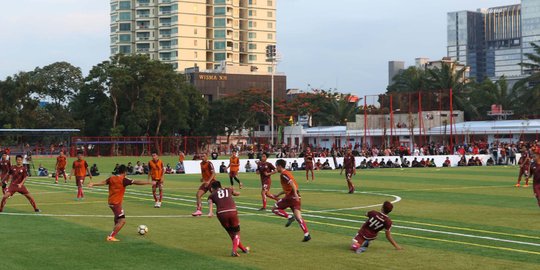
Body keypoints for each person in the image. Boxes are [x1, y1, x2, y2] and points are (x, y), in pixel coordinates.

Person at [88, 164, 151, 241]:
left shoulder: (112, 178)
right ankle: (111, 237)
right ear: (125, 172)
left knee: (117, 218)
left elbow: (104, 182)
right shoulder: (124, 180)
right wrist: (148, 182)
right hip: (116, 203)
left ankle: (114, 231)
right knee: (122, 221)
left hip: (111, 202)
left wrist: (93, 184)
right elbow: (136, 182)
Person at [271, 159, 311, 242]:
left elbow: (292, 183)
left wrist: (295, 194)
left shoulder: (283, 174)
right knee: (298, 217)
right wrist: (278, 194)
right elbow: (288, 187)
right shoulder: (287, 173)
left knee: (274, 209)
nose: (276, 168)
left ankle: (289, 217)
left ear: (279, 166)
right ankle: (306, 234)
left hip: (291, 197)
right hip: (296, 197)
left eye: (276, 166)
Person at [207, 181, 250, 256]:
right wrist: (234, 190)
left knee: (231, 234)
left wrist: (210, 212)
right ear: (220, 186)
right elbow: (237, 194)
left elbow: (210, 203)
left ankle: (244, 249)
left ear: (212, 188)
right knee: (237, 233)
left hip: (221, 214)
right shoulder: (228, 189)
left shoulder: (211, 195)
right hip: (232, 211)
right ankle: (234, 251)